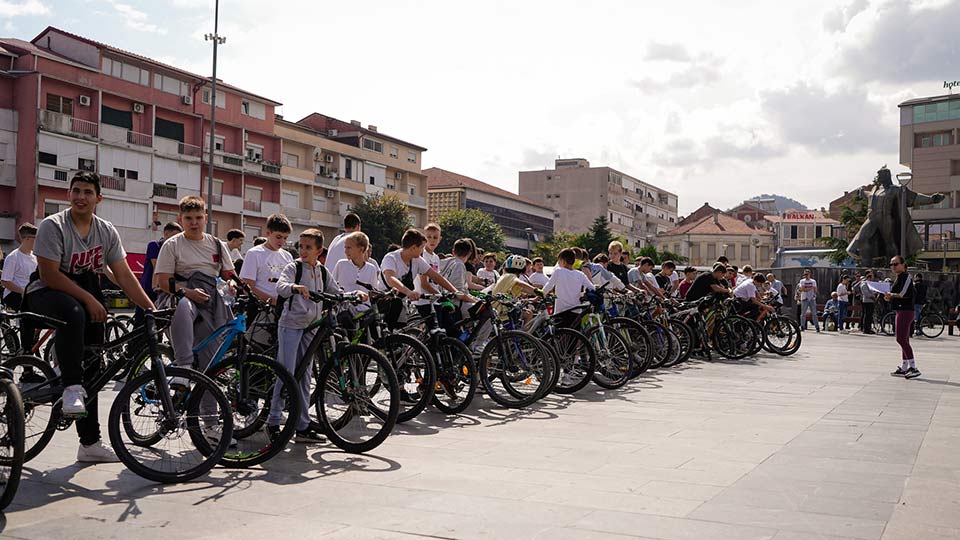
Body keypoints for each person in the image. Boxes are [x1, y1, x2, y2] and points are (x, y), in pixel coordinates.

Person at [24, 172, 156, 462]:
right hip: (46, 290)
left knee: (95, 370)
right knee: (74, 313)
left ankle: (89, 444)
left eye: (87, 192)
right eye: (75, 191)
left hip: (87, 289)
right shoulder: (53, 225)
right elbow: (49, 274)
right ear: (69, 194)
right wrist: (88, 299)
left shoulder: (105, 230)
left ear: (99, 198)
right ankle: (70, 385)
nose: (80, 197)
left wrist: (150, 309)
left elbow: (123, 275)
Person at [155, 196, 235, 374]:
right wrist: (189, 293)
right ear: (180, 219)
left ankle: (207, 400)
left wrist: (231, 283)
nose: (194, 223)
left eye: (198, 218)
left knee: (210, 369)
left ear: (205, 218)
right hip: (182, 297)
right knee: (183, 306)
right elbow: (163, 281)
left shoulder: (217, 244)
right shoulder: (171, 245)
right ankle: (183, 366)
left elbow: (230, 275)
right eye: (188, 218)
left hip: (212, 303)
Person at [381, 228, 471, 326]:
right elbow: (391, 279)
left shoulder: (417, 260)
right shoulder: (391, 258)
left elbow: (436, 276)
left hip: (400, 302)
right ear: (413, 248)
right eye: (421, 248)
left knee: (400, 331)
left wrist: (455, 291)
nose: (422, 251)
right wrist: (408, 292)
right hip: (384, 300)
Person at [132, 221, 184, 326]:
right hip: (148, 288)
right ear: (165, 234)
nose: (175, 240)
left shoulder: (175, 250)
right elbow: (157, 267)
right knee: (142, 320)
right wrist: (156, 286)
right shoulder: (154, 245)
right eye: (173, 236)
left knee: (159, 323)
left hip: (163, 290)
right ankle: (134, 342)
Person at [240, 214, 293, 310]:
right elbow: (248, 288)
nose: (282, 241)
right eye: (278, 237)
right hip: (261, 309)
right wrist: (273, 301)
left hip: (283, 310)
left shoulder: (288, 256)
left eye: (285, 238)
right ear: (268, 233)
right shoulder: (254, 253)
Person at [542, 247, 595, 327]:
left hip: (561, 311)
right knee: (574, 337)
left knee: (559, 336)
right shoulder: (580, 274)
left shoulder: (559, 271)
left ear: (563, 261)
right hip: (576, 311)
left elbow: (548, 286)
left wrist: (539, 294)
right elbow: (592, 287)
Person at [887, 256, 919, 378]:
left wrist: (892, 295)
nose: (893, 267)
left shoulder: (906, 277)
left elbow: (903, 294)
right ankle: (905, 366)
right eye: (891, 264)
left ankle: (913, 367)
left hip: (906, 311)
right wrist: (889, 297)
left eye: (896, 264)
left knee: (900, 339)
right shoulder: (899, 278)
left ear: (903, 265)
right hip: (900, 310)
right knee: (904, 340)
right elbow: (897, 295)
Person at [1, 222, 38, 312]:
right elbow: (5, 281)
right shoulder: (13, 257)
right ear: (28, 239)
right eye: (36, 238)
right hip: (15, 295)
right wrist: (22, 291)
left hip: (31, 294)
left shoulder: (35, 257)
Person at [414, 223, 443, 316]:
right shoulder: (422, 254)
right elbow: (424, 283)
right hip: (423, 301)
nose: (432, 240)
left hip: (434, 300)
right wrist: (440, 295)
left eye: (435, 237)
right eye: (429, 237)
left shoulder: (436, 258)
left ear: (440, 239)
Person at [798, 268, 819, 332]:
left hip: (812, 298)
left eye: (807, 274)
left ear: (810, 274)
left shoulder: (813, 281)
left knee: (814, 313)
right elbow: (802, 289)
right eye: (805, 274)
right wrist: (810, 288)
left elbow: (815, 289)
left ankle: (817, 327)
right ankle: (802, 326)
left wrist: (810, 289)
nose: (806, 275)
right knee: (803, 313)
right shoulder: (802, 281)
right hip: (804, 298)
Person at [858, 270, 877, 334]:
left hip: (871, 301)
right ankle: (866, 329)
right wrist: (872, 297)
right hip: (867, 301)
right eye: (872, 276)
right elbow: (865, 293)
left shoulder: (871, 284)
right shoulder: (864, 283)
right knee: (867, 315)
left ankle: (869, 328)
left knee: (870, 316)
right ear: (868, 277)